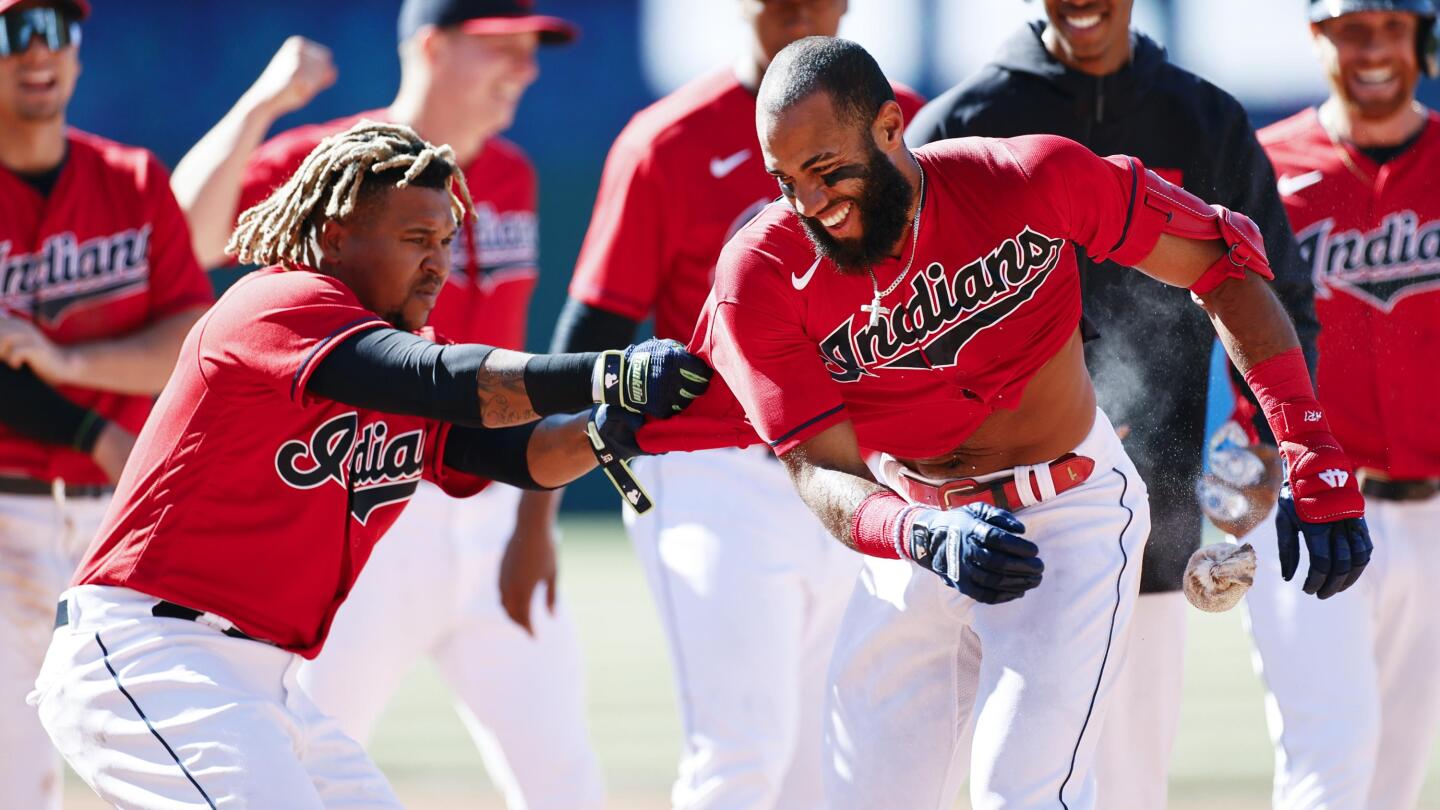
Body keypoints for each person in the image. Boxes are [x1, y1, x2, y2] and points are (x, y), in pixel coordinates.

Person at [634, 36, 1372, 810]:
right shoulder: (761, 271)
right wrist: (916, 533)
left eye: (826, 171)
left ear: (891, 127)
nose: (809, 204)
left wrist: (1308, 446)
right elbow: (820, 472)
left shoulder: (1026, 177)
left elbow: (1224, 263)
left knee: (1023, 791)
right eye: (785, 182)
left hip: (1072, 511)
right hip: (913, 521)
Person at [28, 120, 710, 809]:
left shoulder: (398, 359)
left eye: (445, 242)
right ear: (334, 236)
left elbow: (524, 455)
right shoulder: (277, 305)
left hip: (265, 681)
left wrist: (608, 431)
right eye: (416, 240)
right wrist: (608, 372)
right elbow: (448, 381)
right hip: (150, 653)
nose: (439, 264)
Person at [168, 2, 605, 806]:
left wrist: (534, 522)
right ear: (432, 46)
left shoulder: (512, 171)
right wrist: (262, 105)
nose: (525, 68)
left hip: (493, 495)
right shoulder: (340, 167)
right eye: (502, 46)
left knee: (564, 779)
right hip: (368, 497)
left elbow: (507, 364)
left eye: (531, 48)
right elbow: (186, 232)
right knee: (311, 759)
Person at [903, 1, 1320, 806]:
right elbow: (901, 325)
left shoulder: (1203, 118)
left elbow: (1278, 300)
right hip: (993, 520)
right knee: (962, 782)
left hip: (1152, 526)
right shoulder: (963, 120)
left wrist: (1268, 446)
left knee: (1130, 788)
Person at [537, 2, 922, 807]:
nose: (799, 8)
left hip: (859, 463)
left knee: (830, 753)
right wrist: (538, 509)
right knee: (743, 749)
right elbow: (590, 338)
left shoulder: (906, 123)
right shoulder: (667, 141)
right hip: (714, 472)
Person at [0, 1, 215, 807]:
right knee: (15, 783)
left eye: (58, 30)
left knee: (164, 769)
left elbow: (190, 337)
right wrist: (92, 428)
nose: (38, 50)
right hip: (5, 517)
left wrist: (69, 360)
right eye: (12, 31)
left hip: (122, 533)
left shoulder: (130, 179)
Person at [1243, 2, 1440, 808]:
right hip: (1312, 503)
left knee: (1394, 779)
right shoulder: (1267, 162)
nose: (1374, 50)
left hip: (1433, 512)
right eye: (1352, 28)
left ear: (1420, 38)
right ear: (1319, 37)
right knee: (1333, 758)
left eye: (1392, 27)